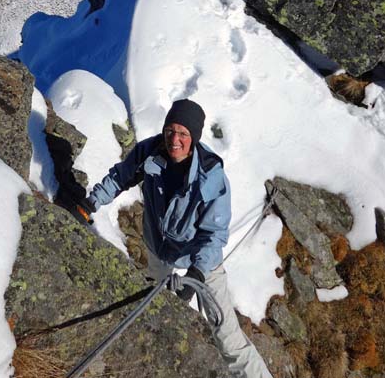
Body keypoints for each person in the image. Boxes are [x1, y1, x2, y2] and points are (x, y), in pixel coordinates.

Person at [78, 98, 272, 378]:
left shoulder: (210, 177)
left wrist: (197, 274)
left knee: (227, 338)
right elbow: (121, 177)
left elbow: (214, 236)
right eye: (170, 130)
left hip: (201, 261)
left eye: (183, 133)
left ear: (193, 138)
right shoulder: (149, 151)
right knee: (159, 310)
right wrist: (90, 203)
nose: (174, 140)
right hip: (159, 249)